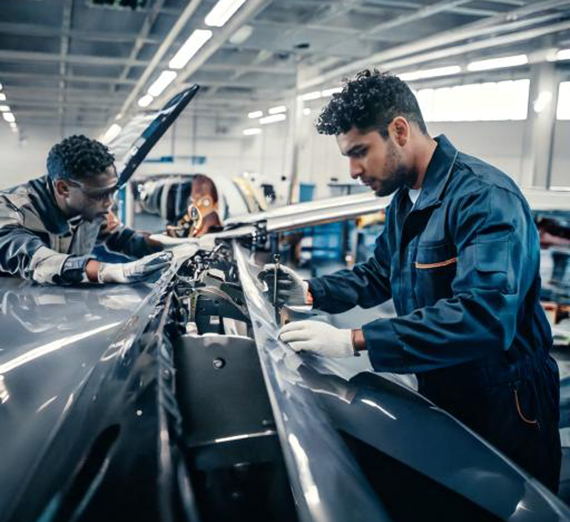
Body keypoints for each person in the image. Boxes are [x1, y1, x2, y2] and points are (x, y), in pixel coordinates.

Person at [259, 69, 561, 492]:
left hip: (505, 400)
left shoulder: (484, 198)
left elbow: (485, 316)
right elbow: (382, 271)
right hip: (443, 382)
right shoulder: (405, 201)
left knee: (507, 504)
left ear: (399, 130)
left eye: (360, 151)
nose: (352, 170)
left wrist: (353, 340)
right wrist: (313, 292)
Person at [0, 135, 171, 285]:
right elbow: (36, 261)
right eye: (99, 195)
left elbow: (128, 240)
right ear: (63, 188)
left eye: (112, 192)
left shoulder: (90, 209)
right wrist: (108, 272)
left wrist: (173, 244)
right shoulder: (10, 209)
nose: (109, 203)